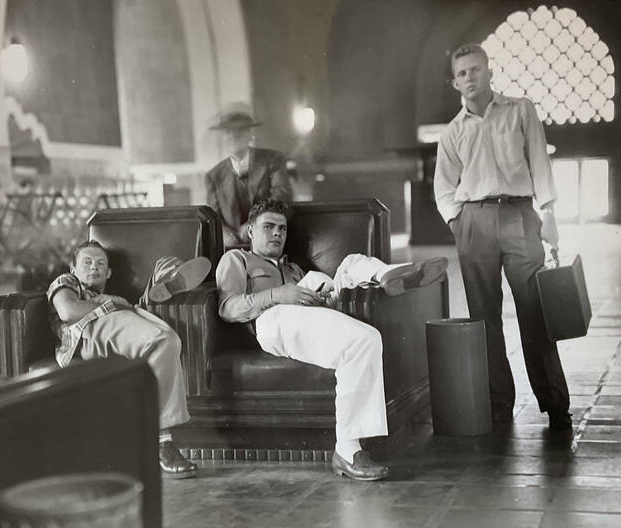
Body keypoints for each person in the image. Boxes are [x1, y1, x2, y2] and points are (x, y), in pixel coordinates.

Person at [215, 199, 448, 481]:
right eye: (269, 227)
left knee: (352, 276)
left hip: (307, 312)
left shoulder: (293, 268)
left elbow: (309, 299)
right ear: (250, 231)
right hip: (270, 321)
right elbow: (227, 308)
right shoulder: (236, 259)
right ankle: (348, 450)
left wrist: (323, 295)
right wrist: (279, 295)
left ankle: (392, 274)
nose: (278, 233)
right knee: (361, 339)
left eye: (282, 228)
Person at [433, 43, 571, 431]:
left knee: (535, 311)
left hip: (520, 215)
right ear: (455, 82)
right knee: (484, 317)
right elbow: (443, 186)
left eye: (475, 69)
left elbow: (540, 163)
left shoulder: (520, 110)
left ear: (489, 71)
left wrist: (549, 215)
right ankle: (498, 404)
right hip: (474, 221)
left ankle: (555, 403)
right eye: (462, 73)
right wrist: (458, 223)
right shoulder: (453, 132)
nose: (469, 78)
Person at [47, 241, 211, 479]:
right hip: (87, 333)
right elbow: (68, 311)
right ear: (73, 269)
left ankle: (160, 280)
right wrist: (110, 304)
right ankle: (161, 441)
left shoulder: (110, 296)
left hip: (118, 325)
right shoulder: (67, 282)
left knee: (169, 342)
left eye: (101, 264)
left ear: (109, 273)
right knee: (160, 339)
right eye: (87, 262)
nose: (94, 267)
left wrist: (123, 303)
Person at [205, 108, 293, 248]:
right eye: (228, 132)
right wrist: (226, 236)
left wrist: (254, 225)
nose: (234, 136)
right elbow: (213, 218)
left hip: (272, 242)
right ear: (223, 138)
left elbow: (282, 196)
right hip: (234, 247)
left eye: (240, 131)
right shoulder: (214, 176)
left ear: (250, 134)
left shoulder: (273, 160)